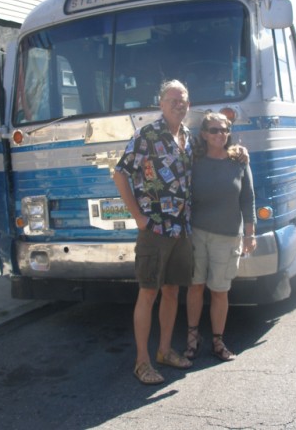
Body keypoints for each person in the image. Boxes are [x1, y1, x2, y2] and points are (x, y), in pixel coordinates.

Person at [113, 79, 193, 385]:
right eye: (172, 99)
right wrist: (139, 218)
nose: (178, 104)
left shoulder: (187, 135)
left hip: (181, 229)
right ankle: (141, 362)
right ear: (160, 104)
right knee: (148, 292)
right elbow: (120, 174)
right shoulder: (147, 134)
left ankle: (164, 351)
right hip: (155, 228)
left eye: (183, 99)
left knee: (172, 291)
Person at [184, 112, 256, 362]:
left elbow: (248, 198)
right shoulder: (194, 161)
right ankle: (192, 339)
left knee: (220, 290)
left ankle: (218, 341)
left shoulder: (239, 161)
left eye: (224, 130)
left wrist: (250, 233)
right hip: (197, 234)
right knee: (195, 287)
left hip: (227, 236)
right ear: (203, 134)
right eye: (214, 130)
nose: (220, 135)